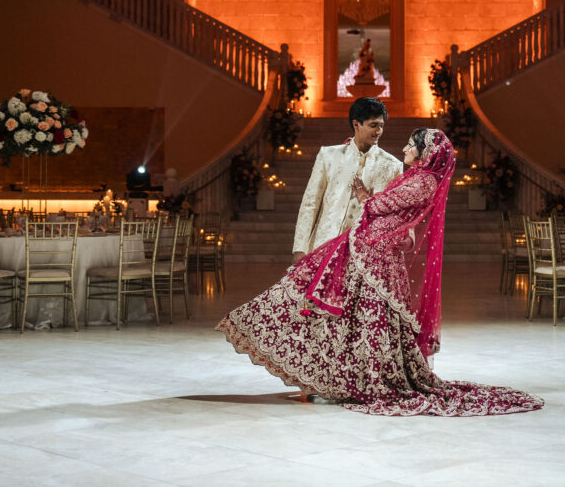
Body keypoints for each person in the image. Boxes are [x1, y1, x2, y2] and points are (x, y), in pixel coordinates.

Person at [217, 128, 543, 416]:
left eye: (410, 146)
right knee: (329, 299)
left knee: (367, 317)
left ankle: (364, 377)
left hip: (378, 257)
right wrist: (369, 200)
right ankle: (326, 368)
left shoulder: (425, 181)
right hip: (368, 249)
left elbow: (382, 205)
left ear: (424, 151)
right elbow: (381, 203)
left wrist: (365, 197)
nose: (403, 150)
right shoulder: (415, 177)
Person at [292, 97, 402, 261]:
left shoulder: (393, 165)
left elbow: (395, 212)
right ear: (356, 124)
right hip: (325, 246)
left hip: (366, 253)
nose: (379, 131)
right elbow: (310, 203)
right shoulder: (329, 156)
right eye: (373, 125)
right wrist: (300, 248)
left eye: (381, 126)